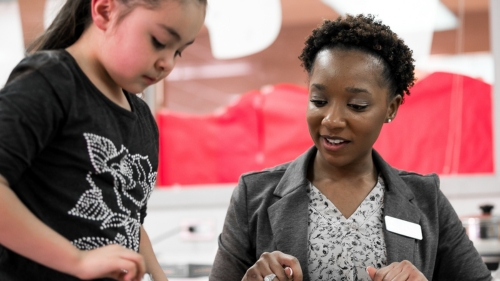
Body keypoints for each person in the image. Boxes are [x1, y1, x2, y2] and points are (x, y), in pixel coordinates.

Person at [210, 14, 492, 281]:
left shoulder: (426, 200)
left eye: (357, 106)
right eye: (319, 101)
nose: (331, 120)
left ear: (390, 108)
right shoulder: (254, 196)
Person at [0, 0, 206, 280]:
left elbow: (127, 219)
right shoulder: (50, 82)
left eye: (179, 51)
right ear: (105, 11)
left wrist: (157, 274)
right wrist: (77, 261)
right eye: (159, 42)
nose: (167, 63)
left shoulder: (143, 118)